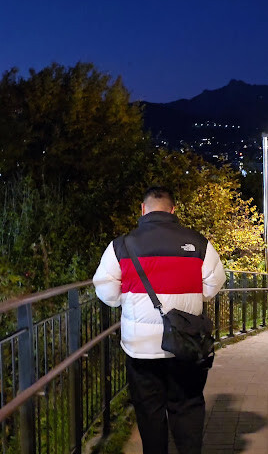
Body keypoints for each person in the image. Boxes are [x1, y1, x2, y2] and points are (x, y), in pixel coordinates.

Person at [93, 186, 226, 454]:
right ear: (173, 210)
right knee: (187, 407)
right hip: (185, 343)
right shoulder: (199, 243)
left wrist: (128, 300)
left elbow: (106, 290)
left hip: (141, 347)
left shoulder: (122, 245)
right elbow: (214, 285)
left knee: (149, 413)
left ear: (143, 209)